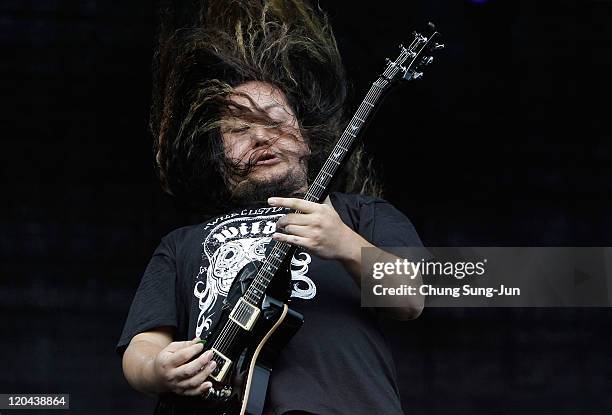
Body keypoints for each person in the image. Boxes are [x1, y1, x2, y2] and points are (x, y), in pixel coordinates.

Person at [116, 1, 424, 414]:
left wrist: (346, 245)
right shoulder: (181, 245)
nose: (261, 138)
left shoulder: (360, 215)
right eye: (240, 130)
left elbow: (411, 298)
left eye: (275, 123)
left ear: (307, 139)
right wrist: (157, 368)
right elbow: (142, 344)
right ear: (218, 160)